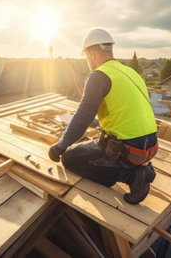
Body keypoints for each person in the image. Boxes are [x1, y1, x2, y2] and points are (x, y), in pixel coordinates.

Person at [48, 28, 158, 204]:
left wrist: (60, 146)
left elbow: (83, 115)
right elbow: (124, 113)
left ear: (91, 54)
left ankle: (132, 175)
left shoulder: (98, 76)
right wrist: (97, 122)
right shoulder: (130, 72)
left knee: (69, 158)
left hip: (128, 151)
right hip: (150, 146)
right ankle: (133, 169)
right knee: (91, 148)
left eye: (86, 57)